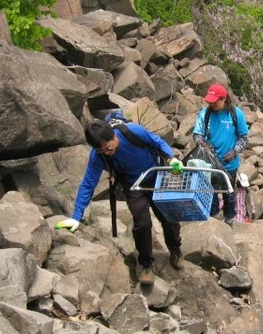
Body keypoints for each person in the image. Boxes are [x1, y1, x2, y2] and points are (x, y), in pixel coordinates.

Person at [55, 119, 184, 285]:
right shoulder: (98, 156)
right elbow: (88, 183)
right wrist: (76, 216)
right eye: (102, 151)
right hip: (133, 185)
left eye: (109, 147)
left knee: (169, 216)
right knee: (142, 222)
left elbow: (157, 141)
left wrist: (171, 158)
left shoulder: (132, 132)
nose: (107, 153)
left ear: (113, 136)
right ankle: (146, 264)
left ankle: (175, 249)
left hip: (156, 176)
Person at [192, 84, 249, 225]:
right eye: (209, 101)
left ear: (224, 99)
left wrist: (235, 151)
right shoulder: (205, 113)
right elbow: (197, 133)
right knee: (209, 191)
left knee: (228, 192)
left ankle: (229, 220)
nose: (211, 103)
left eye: (215, 101)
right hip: (208, 163)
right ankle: (213, 219)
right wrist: (200, 142)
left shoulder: (236, 114)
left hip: (229, 163)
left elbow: (244, 137)